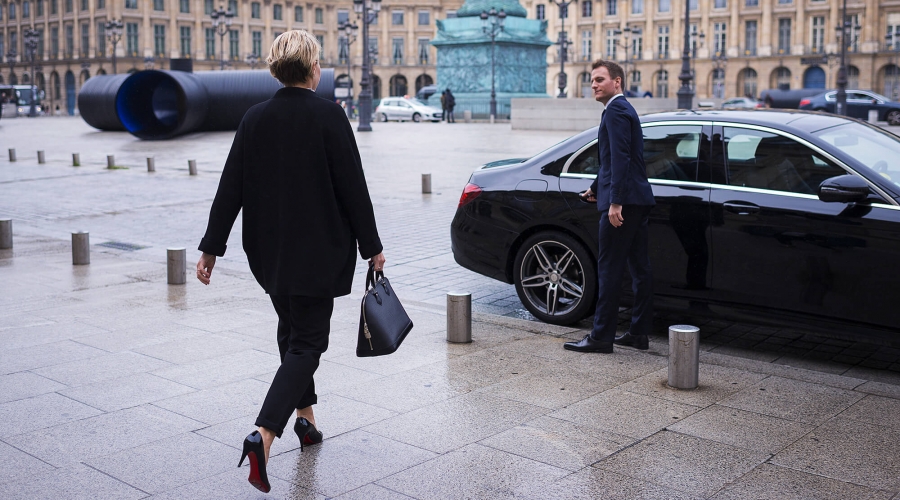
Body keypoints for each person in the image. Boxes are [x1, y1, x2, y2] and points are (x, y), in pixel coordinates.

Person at [196, 30, 385, 493]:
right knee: (307, 344)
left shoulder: (253, 118)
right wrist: (372, 247)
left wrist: (210, 248)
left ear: (276, 70)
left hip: (268, 255)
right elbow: (353, 189)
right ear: (314, 69)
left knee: (291, 331)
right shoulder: (330, 117)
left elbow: (230, 188)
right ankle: (263, 435)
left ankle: (307, 422)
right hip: (318, 253)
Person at [564, 59, 655, 354]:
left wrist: (614, 201)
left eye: (600, 79)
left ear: (617, 82)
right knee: (640, 270)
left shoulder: (615, 110)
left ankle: (601, 337)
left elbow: (620, 159)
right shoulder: (623, 108)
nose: (593, 84)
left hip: (624, 203)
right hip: (637, 200)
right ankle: (639, 333)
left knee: (609, 270)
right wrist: (595, 187)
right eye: (592, 80)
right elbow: (612, 159)